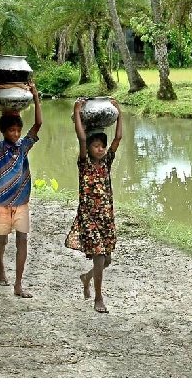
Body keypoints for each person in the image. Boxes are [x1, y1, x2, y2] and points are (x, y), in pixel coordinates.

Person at [65, 98, 123, 313]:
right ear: (88, 148)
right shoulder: (85, 164)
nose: (100, 149)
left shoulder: (106, 162)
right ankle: (99, 298)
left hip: (106, 218)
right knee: (99, 255)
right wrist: (77, 112)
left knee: (106, 260)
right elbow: (81, 137)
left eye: (102, 146)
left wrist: (120, 112)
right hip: (88, 217)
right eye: (96, 146)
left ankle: (87, 277)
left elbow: (118, 137)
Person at [0, 82, 42, 298]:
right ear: (4, 131)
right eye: (12, 130)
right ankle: (0, 265)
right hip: (2, 201)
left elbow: (38, 124)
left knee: (22, 240)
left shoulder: (23, 146)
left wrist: (36, 96)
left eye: (18, 130)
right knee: (2, 240)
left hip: (21, 202)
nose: (16, 133)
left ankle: (18, 283)